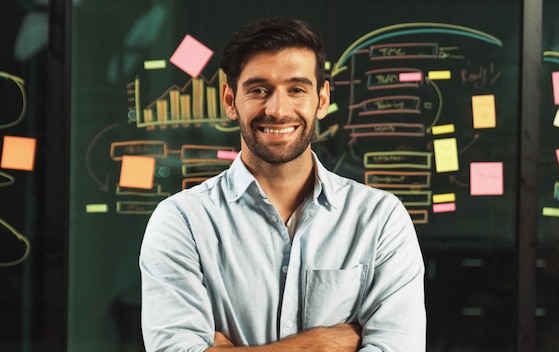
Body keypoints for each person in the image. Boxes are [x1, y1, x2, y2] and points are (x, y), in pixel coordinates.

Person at [139, 18, 426, 351]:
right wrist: (316, 344)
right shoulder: (181, 222)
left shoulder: (380, 219)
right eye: (259, 90)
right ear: (231, 100)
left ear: (322, 99)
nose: (277, 110)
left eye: (296, 89)